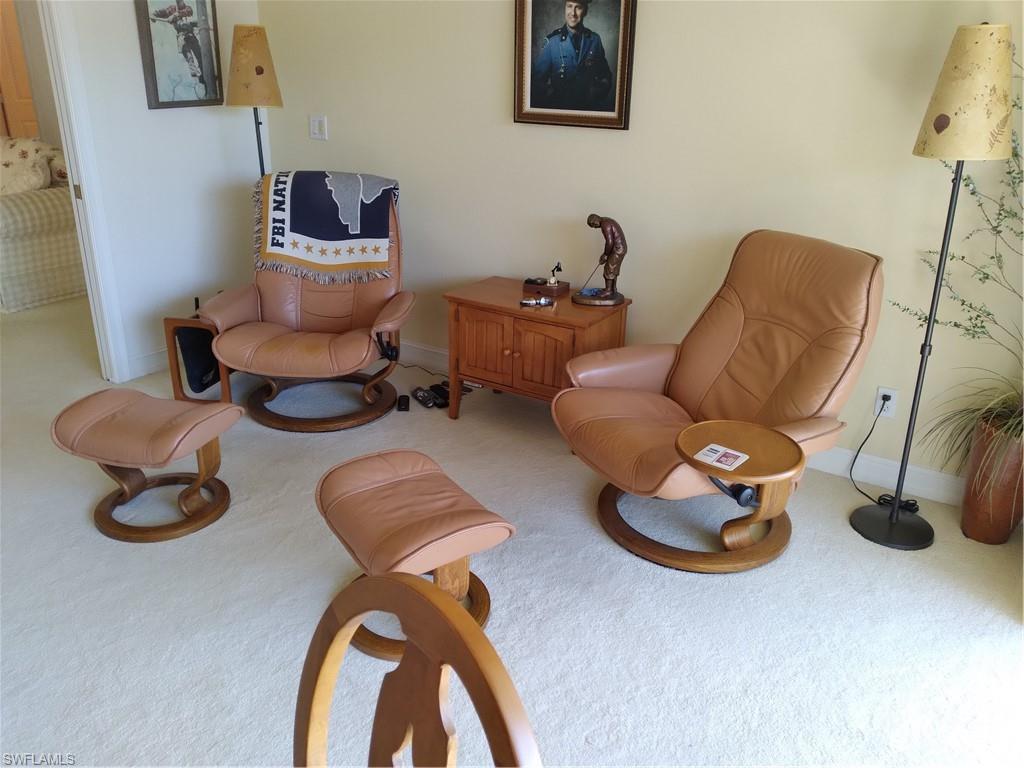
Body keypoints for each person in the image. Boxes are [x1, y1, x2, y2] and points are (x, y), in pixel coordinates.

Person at [531, 1, 613, 111]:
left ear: (585, 11)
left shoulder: (594, 40)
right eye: (569, 6)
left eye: (578, 7)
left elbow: (605, 76)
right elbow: (537, 81)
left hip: (588, 112)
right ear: (565, 8)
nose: (573, 13)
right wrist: (552, 98)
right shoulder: (552, 41)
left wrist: (596, 94)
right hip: (559, 111)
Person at [588, 213, 626, 297]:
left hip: (617, 249)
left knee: (609, 269)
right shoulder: (607, 220)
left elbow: (609, 242)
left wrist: (605, 255)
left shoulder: (605, 224)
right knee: (613, 269)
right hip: (619, 248)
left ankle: (608, 290)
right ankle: (613, 289)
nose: (594, 227)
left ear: (595, 220)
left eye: (593, 225)